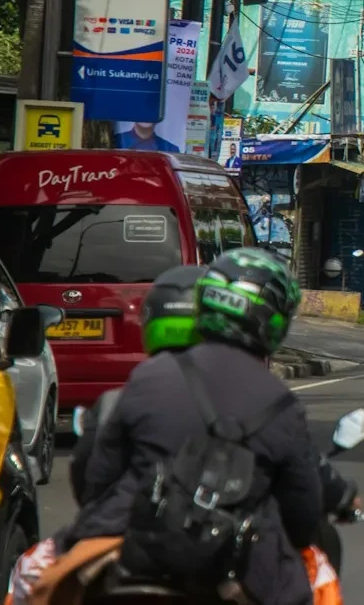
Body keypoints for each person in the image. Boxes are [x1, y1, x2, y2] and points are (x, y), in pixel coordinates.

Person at [59, 250, 322, 605]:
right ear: (273, 320)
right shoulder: (280, 403)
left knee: (37, 582)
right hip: (235, 568)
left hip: (133, 559)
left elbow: (98, 484)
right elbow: (302, 517)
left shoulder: (148, 377)